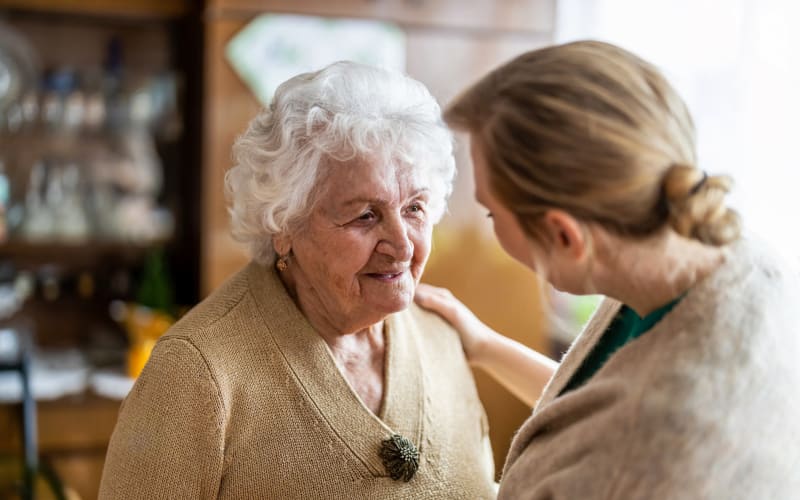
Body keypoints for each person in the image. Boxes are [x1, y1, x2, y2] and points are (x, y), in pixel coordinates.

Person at [415, 40, 800, 499]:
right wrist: (484, 345)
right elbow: (596, 410)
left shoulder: (658, 454)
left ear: (564, 236)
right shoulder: (721, 255)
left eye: (492, 214)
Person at [99, 61, 496, 499]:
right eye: (365, 215)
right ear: (284, 225)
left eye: (415, 208)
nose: (402, 246)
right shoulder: (197, 373)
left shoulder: (441, 334)